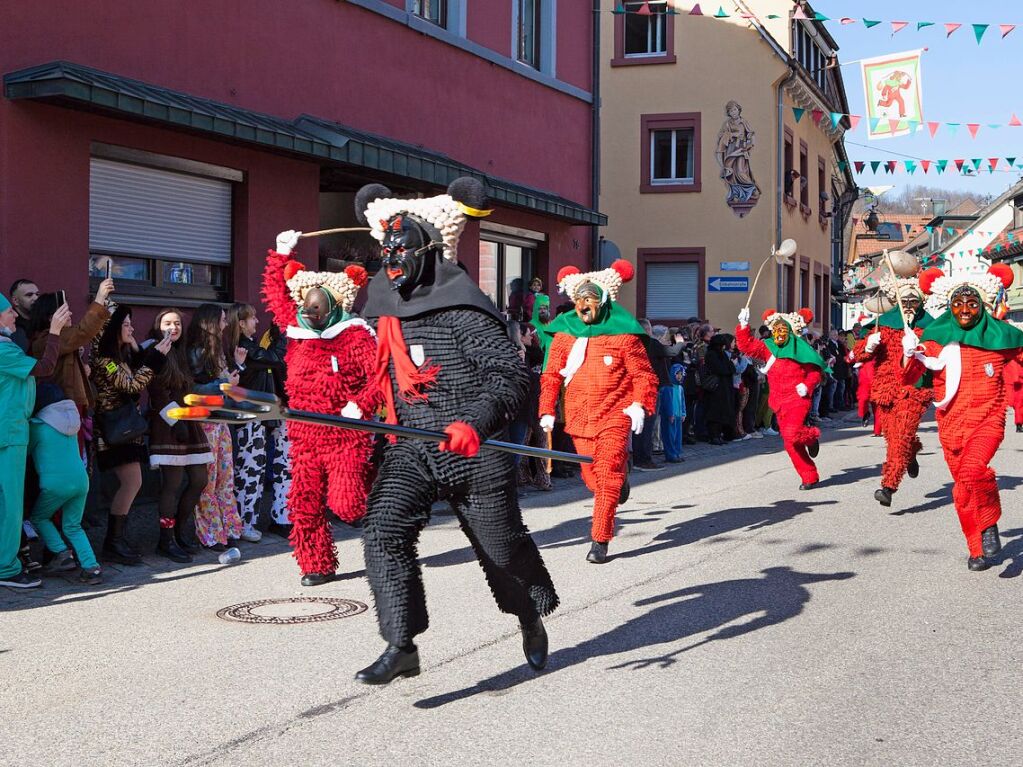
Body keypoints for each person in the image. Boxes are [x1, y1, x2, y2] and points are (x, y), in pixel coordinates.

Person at [353, 178, 558, 684]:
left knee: (501, 549)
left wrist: (475, 421)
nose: (393, 259)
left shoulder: (465, 309)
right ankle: (401, 642)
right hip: (414, 447)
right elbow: (376, 375)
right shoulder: (383, 311)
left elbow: (512, 379)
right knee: (382, 530)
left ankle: (529, 615)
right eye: (387, 250)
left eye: (402, 249)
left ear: (429, 250)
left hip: (475, 450)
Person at [263, 237, 381, 585]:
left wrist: (361, 404)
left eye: (318, 311)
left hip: (345, 433)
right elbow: (275, 292)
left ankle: (382, 498)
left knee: (347, 505)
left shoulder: (355, 336)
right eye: (308, 311)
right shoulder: (297, 330)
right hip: (305, 436)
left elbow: (380, 377)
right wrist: (282, 253)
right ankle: (316, 564)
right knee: (304, 503)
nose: (311, 316)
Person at [903, 265, 1023, 571]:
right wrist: (909, 354)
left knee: (973, 472)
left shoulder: (1002, 337)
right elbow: (913, 376)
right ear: (949, 307)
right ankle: (976, 549)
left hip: (988, 419)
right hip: (951, 424)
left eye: (972, 304)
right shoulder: (935, 339)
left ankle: (990, 523)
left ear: (982, 306)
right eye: (958, 304)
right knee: (961, 489)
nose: (965, 310)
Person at [539, 260, 658, 563]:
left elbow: (644, 375)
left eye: (590, 299)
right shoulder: (565, 335)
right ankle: (620, 482)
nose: (584, 306)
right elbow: (551, 375)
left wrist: (640, 404)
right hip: (579, 417)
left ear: (603, 300)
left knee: (606, 477)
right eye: (579, 300)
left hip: (615, 414)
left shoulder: (624, 335)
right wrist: (546, 409)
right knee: (593, 480)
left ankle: (599, 541)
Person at [91, 307, 171, 563]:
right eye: (125, 324)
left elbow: (135, 377)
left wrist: (141, 354)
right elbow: (132, 385)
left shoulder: (121, 356)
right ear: (113, 328)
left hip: (128, 428)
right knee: (133, 482)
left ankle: (116, 540)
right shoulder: (106, 360)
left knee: (132, 483)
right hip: (115, 429)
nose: (131, 328)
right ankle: (113, 542)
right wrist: (155, 359)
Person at [0, 293, 69, 588]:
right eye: (9, 312)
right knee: (10, 505)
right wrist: (54, 331)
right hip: (9, 434)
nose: (15, 315)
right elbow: (44, 368)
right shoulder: (3, 351)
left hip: (10, 432)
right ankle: (6, 569)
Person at [852, 272, 934, 507]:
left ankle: (888, 486)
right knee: (893, 437)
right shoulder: (885, 325)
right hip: (885, 390)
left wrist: (919, 349)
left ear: (921, 303)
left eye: (913, 301)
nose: (908, 306)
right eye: (904, 302)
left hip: (914, 390)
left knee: (899, 438)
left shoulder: (929, 328)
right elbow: (859, 354)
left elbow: (937, 356)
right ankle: (912, 450)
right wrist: (868, 345)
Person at [146, 309, 212, 561]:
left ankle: (180, 530)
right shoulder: (155, 350)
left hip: (189, 419)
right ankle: (166, 538)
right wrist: (176, 420)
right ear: (157, 325)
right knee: (171, 485)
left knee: (199, 479)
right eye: (167, 323)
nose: (173, 327)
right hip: (168, 422)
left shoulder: (182, 351)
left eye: (177, 323)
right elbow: (156, 390)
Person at [736, 307, 826, 489]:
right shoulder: (769, 347)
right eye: (776, 329)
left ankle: (811, 437)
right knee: (790, 443)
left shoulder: (800, 348)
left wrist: (806, 385)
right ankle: (809, 476)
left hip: (797, 398)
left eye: (783, 329)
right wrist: (743, 325)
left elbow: (815, 372)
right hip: (778, 400)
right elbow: (746, 346)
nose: (779, 333)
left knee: (793, 433)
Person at [225, 303, 291, 543]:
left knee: (257, 469)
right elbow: (274, 357)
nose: (257, 322)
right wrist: (282, 333)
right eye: (252, 318)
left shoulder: (250, 346)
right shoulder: (245, 347)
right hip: (250, 415)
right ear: (241, 323)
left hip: (261, 413)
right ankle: (244, 523)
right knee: (250, 470)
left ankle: (253, 521)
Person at [186, 304, 243, 551]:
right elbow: (194, 390)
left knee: (225, 476)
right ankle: (211, 533)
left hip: (220, 420)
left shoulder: (217, 350)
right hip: (206, 421)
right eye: (221, 320)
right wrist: (223, 384)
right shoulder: (197, 352)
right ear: (209, 322)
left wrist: (235, 373)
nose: (225, 324)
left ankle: (228, 528)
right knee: (209, 480)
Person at [660, 362, 686, 462]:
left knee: (677, 437)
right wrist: (670, 414)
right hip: (670, 417)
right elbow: (667, 403)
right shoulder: (667, 388)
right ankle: (670, 455)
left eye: (681, 374)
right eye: (677, 374)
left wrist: (683, 413)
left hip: (678, 416)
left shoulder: (680, 388)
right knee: (669, 437)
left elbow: (683, 401)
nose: (679, 376)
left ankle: (677, 453)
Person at [9, 278, 39, 352]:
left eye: (37, 294)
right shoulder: (11, 326)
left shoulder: (41, 319)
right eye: (29, 295)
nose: (36, 298)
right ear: (15, 301)